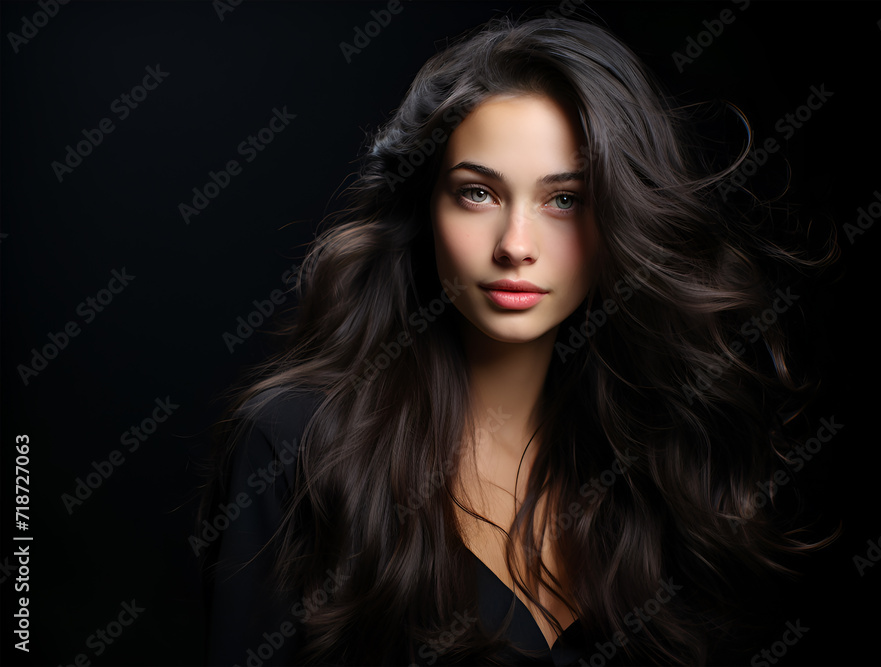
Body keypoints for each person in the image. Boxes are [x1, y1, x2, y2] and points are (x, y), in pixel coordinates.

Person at [197, 12, 837, 666]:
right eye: (478, 193)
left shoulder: (656, 459)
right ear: (426, 208)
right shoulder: (296, 445)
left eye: (564, 200)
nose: (516, 246)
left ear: (620, 216)